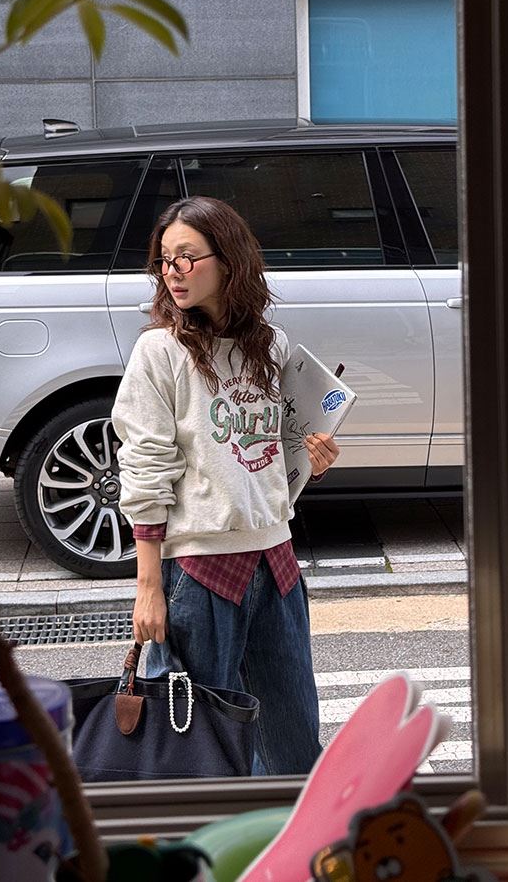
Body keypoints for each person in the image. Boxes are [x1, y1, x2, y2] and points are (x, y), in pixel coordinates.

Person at [111, 195, 340, 776]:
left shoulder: (271, 345)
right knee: (199, 749)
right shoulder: (159, 351)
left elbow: (275, 449)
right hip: (199, 573)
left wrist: (314, 457)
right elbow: (145, 467)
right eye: (166, 260)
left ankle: (284, 833)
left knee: (292, 742)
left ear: (229, 260)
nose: (174, 272)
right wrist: (147, 587)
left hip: (277, 563)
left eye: (188, 257)